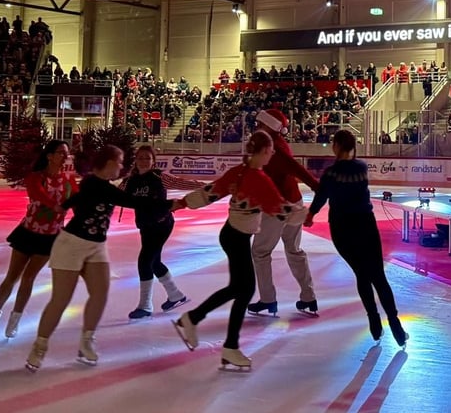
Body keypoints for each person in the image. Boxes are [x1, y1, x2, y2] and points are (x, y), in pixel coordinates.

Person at [25, 145, 171, 372]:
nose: (122, 166)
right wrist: (172, 204)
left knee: (100, 294)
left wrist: (64, 205)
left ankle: (86, 342)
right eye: (120, 161)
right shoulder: (96, 184)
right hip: (71, 245)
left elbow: (78, 199)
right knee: (61, 300)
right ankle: (40, 345)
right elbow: (134, 202)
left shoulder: (96, 185)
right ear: (109, 163)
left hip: (96, 246)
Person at [173, 131, 288, 370]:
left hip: (232, 235)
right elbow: (281, 210)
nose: (272, 154)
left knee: (240, 289)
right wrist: (307, 214)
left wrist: (183, 203)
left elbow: (210, 193)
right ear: (265, 151)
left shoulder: (239, 172)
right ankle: (226, 344)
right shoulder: (258, 178)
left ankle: (197, 322)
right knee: (243, 289)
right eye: (270, 150)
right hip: (236, 238)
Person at [304, 129, 407, 347]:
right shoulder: (361, 168)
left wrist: (310, 215)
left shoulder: (331, 174)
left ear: (338, 146)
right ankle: (394, 322)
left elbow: (322, 196)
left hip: (342, 229)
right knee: (378, 275)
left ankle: (373, 319)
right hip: (365, 225)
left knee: (362, 274)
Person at [0, 140, 78, 339]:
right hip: (28, 232)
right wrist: (57, 206)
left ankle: (15, 319)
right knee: (12, 277)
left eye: (66, 153)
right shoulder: (35, 177)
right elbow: (38, 195)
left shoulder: (69, 180)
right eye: (60, 153)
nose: (65, 157)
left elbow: (78, 204)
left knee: (29, 278)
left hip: (50, 237)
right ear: (49, 156)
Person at [247, 110, 320, 317]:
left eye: (260, 122)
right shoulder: (276, 143)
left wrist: (316, 186)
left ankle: (268, 299)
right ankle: (309, 297)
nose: (257, 125)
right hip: (293, 202)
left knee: (260, 252)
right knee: (294, 249)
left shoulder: (273, 146)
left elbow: (294, 167)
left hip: (277, 206)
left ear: (269, 125)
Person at [121, 145, 202, 320]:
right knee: (154, 261)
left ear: (153, 161)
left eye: (147, 158)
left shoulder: (160, 177)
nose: (143, 161)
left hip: (162, 224)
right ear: (135, 160)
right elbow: (114, 195)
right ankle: (176, 295)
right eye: (140, 158)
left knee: (145, 261)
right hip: (145, 225)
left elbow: (183, 183)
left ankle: (145, 305)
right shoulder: (130, 181)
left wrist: (209, 188)